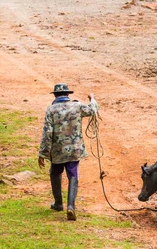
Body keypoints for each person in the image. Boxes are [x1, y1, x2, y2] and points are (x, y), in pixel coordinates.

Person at [38, 83, 99, 221]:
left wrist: (43, 153)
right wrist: (92, 98)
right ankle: (71, 206)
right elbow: (93, 110)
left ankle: (58, 203)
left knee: (55, 172)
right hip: (74, 149)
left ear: (55, 95)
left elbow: (47, 133)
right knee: (73, 174)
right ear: (67, 94)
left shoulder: (51, 110)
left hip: (57, 151)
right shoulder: (77, 106)